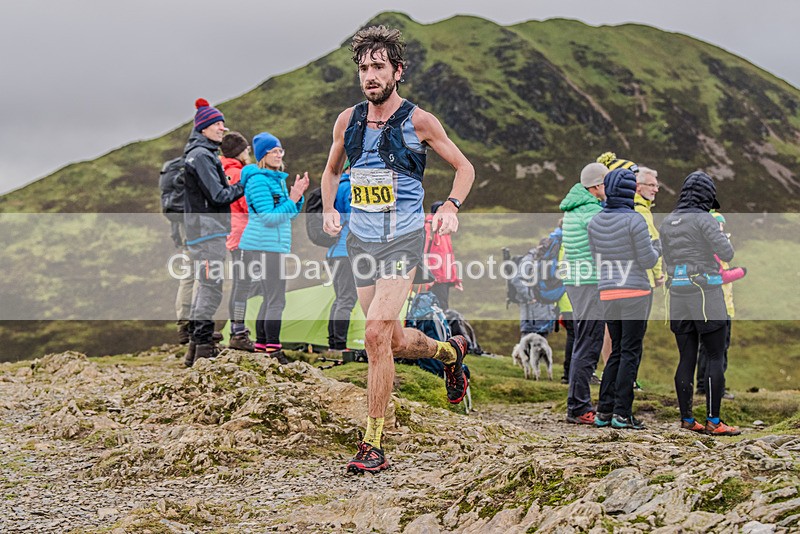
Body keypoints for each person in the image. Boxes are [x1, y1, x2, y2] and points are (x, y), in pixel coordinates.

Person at [320, 25, 475, 473]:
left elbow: (464, 168)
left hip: (404, 239)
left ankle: (373, 442)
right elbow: (331, 172)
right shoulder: (346, 121)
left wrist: (450, 205)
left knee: (372, 335)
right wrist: (330, 208)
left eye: (378, 67)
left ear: (397, 71)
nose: (370, 75)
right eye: (363, 68)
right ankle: (450, 354)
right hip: (361, 242)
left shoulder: (419, 121)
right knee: (393, 339)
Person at [660, 172, 740, 436]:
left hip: (678, 294)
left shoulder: (668, 221)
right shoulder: (705, 219)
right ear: (707, 195)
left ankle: (686, 418)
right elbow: (726, 253)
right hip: (705, 293)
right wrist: (720, 237)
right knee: (715, 355)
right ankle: (714, 422)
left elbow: (667, 258)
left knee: (686, 357)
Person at [587, 169, 659, 429]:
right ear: (630, 191)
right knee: (630, 351)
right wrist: (658, 247)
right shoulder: (635, 220)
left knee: (616, 351)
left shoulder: (594, 222)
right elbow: (648, 260)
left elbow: (597, 257)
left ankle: (603, 412)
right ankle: (623, 414)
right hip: (635, 292)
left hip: (607, 291)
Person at [237, 132, 309, 363]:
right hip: (262, 247)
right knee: (276, 299)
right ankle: (274, 350)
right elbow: (269, 217)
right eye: (273, 151)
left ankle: (261, 345)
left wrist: (297, 197)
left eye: (280, 150)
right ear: (262, 156)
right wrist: (293, 196)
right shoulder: (258, 180)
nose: (278, 154)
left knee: (270, 298)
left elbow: (289, 213)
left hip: (271, 246)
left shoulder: (274, 178)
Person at [183, 99, 244, 367]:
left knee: (206, 288)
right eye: (218, 124)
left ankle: (194, 351)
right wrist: (245, 183)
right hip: (208, 233)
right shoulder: (202, 156)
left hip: (201, 232)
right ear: (205, 127)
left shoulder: (199, 153)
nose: (223, 129)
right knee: (211, 288)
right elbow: (219, 195)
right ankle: (204, 349)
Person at [560, 162, 608, 425]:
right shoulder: (592, 212)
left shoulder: (573, 208)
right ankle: (578, 407)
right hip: (590, 281)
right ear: (598, 185)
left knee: (583, 340)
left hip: (576, 281)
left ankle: (576, 404)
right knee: (590, 343)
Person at [696, 211, 746, 399]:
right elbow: (719, 277)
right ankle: (714, 387)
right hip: (718, 305)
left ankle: (703, 385)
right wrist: (739, 272)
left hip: (720, 305)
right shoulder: (711, 248)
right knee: (718, 349)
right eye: (719, 226)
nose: (722, 230)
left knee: (707, 347)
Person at [220, 131, 255, 352]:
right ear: (239, 152)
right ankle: (238, 332)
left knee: (240, 284)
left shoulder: (224, 171)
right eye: (246, 149)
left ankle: (237, 330)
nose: (249, 152)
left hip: (232, 234)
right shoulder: (238, 173)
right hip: (243, 235)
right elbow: (245, 205)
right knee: (242, 285)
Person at [326, 160, 358, 352]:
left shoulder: (338, 186)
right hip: (346, 251)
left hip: (336, 251)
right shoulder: (349, 188)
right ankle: (338, 345)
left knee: (341, 298)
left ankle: (334, 344)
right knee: (346, 299)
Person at [424, 201, 463, 310]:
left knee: (443, 307)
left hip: (445, 276)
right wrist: (429, 277)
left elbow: (449, 256)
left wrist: (455, 279)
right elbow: (424, 253)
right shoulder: (430, 227)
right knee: (440, 309)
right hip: (436, 277)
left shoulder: (445, 230)